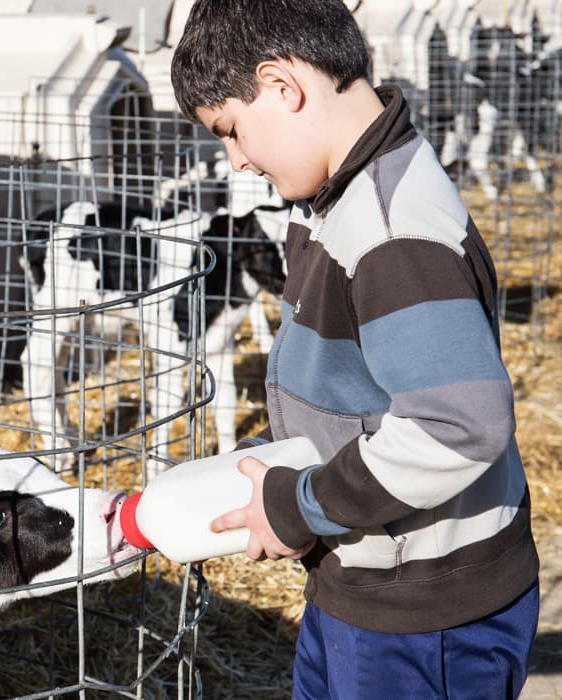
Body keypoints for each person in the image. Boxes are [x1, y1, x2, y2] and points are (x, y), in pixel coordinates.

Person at [170, 1, 540, 698]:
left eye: (231, 130)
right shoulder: (346, 200)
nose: (238, 159)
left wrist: (300, 505)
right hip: (370, 577)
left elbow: (457, 424)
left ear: (282, 86)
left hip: (425, 615)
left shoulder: (391, 231)